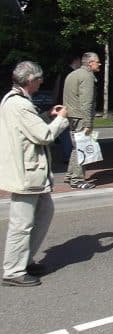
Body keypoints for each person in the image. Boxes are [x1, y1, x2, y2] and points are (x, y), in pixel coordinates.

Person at [1, 61, 69, 287]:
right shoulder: (19, 104)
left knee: (43, 212)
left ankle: (25, 259)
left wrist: (47, 115)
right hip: (26, 173)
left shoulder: (16, 101)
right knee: (22, 224)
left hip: (30, 172)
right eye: (39, 79)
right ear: (30, 80)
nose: (41, 82)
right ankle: (13, 271)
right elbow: (44, 136)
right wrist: (60, 119)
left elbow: (30, 127)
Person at [63, 52, 101, 189]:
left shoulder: (73, 74)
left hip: (72, 116)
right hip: (80, 117)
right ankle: (77, 179)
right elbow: (86, 102)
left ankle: (70, 175)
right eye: (98, 61)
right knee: (82, 147)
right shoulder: (87, 77)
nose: (100, 64)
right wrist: (88, 123)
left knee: (76, 147)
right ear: (90, 63)